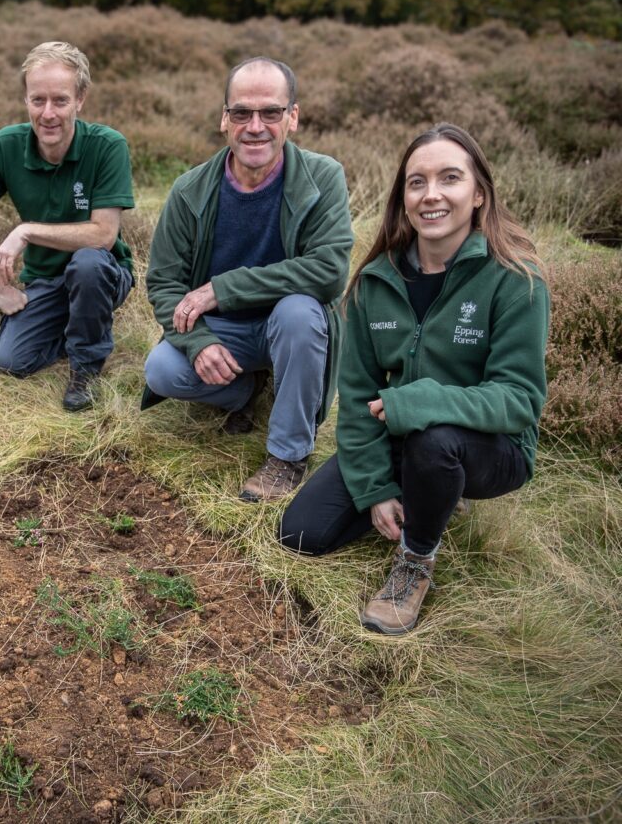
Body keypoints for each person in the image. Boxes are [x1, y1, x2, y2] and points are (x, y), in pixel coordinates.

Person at [281, 122, 550, 635]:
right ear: (403, 197)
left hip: (492, 448)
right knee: (300, 534)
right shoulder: (375, 282)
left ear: (478, 194)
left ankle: (415, 560)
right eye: (416, 182)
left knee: (435, 440)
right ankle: (431, 495)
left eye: (449, 178)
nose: (432, 195)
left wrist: (420, 401)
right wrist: (376, 488)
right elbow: (357, 395)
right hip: (399, 437)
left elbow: (519, 401)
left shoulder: (517, 279)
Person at [143, 57, 353, 502]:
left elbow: (330, 271)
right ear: (224, 119)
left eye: (270, 113)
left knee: (298, 313)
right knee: (161, 369)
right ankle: (245, 389)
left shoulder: (323, 176)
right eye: (241, 112)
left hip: (293, 327)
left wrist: (222, 288)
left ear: (292, 117)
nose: (255, 126)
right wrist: (199, 343)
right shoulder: (189, 190)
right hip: (228, 331)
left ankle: (287, 456)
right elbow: (164, 284)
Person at [0, 41, 135, 411]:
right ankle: (78, 327)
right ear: (26, 100)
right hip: (44, 280)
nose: (48, 113)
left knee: (87, 264)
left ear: (80, 99)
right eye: (38, 100)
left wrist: (26, 231)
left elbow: (103, 234)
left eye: (60, 100)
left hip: (103, 272)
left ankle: (85, 368)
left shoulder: (108, 146)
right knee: (9, 363)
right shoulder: (5, 147)